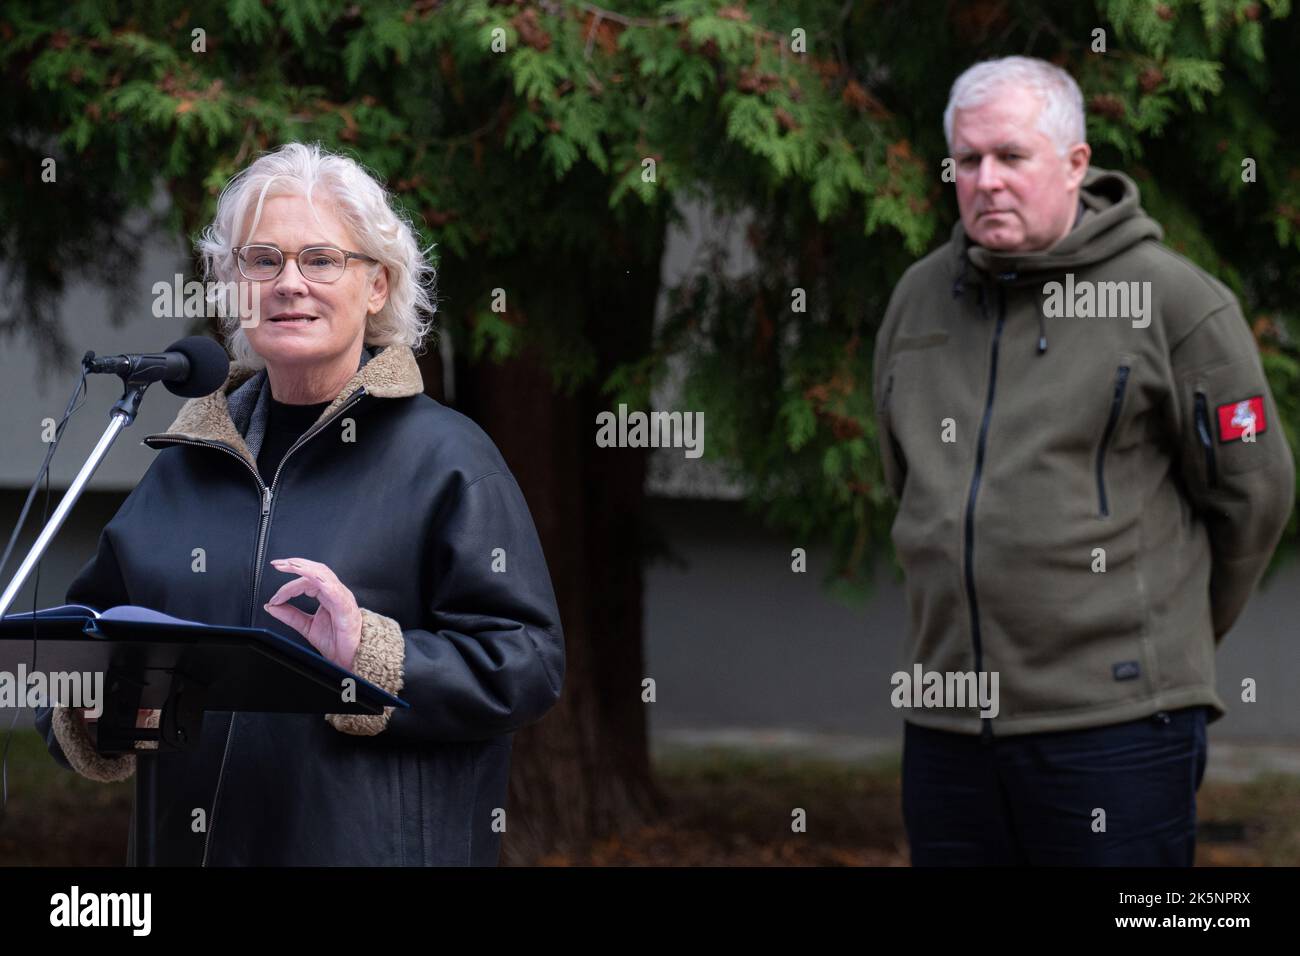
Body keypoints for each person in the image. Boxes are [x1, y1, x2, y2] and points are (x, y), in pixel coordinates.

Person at [33, 141, 566, 866]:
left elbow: (527, 663)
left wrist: (372, 659)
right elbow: (84, 650)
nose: (289, 283)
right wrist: (98, 707)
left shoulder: (448, 459)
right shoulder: (184, 467)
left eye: (321, 260)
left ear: (377, 286)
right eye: (262, 261)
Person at [871, 56, 1294, 865]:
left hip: (1118, 729)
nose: (986, 180)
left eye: (1011, 156)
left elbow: (1254, 495)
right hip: (948, 722)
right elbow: (907, 479)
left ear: (1074, 164)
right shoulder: (920, 299)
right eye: (967, 160)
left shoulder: (1174, 301)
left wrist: (1167, 637)